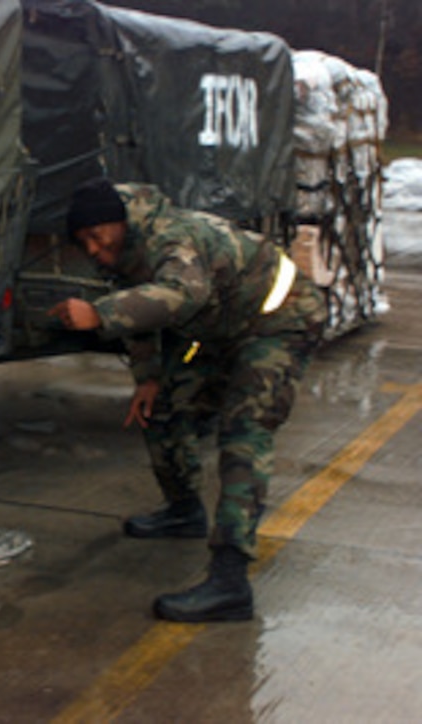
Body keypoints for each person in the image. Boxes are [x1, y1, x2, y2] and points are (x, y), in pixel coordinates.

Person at [49, 178, 326, 623]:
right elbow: (140, 318)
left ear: (118, 222)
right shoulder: (126, 252)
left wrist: (99, 314)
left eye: (97, 237)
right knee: (163, 406)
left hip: (281, 319)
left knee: (244, 430)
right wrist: (149, 376)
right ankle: (183, 510)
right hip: (218, 328)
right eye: (85, 244)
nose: (95, 251)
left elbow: (182, 294)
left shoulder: (170, 236)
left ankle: (231, 579)